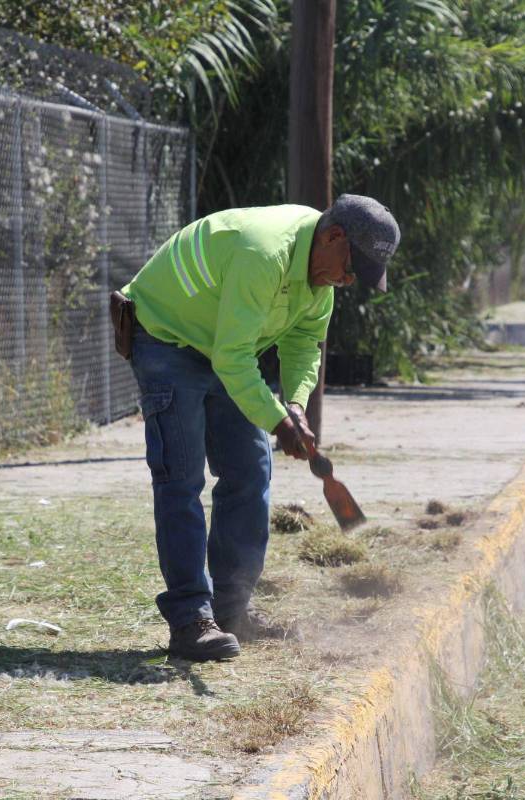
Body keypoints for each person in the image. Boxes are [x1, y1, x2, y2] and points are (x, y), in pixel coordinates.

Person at [115, 195, 400, 661]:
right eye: (351, 268)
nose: (348, 281)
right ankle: (191, 620)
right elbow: (233, 357)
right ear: (333, 238)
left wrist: (294, 406)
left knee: (251, 468)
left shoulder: (319, 280)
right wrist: (277, 423)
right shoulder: (264, 253)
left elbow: (305, 343)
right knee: (181, 480)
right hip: (167, 336)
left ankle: (230, 611)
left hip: (223, 346)